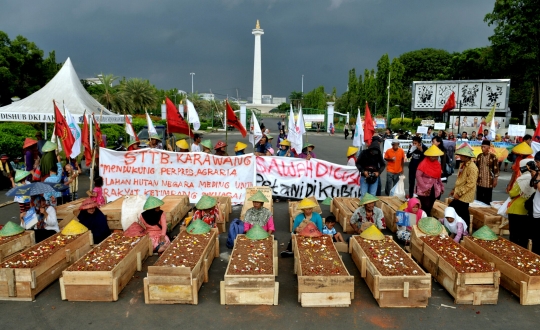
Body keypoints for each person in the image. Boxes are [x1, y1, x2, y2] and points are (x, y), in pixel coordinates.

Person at [507, 159, 536, 249]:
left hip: (516, 210)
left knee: (514, 235)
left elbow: (512, 193)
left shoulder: (522, 179)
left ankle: (514, 254)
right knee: (523, 236)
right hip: (528, 211)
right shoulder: (535, 178)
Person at [449, 147, 478, 228]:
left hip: (465, 195)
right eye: (460, 155)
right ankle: (461, 231)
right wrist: (454, 189)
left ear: (467, 157)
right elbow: (459, 179)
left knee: (462, 213)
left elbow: (471, 183)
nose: (460, 157)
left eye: (462, 156)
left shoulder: (472, 167)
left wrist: (459, 193)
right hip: (459, 192)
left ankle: (464, 232)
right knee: (460, 212)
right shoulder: (462, 165)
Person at [415, 145, 445, 216]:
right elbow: (418, 176)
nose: (434, 158)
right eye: (432, 156)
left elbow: (438, 177)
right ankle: (422, 219)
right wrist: (424, 187)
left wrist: (441, 186)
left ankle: (428, 220)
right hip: (424, 189)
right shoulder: (423, 163)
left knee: (431, 205)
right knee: (425, 206)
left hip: (434, 188)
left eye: (436, 156)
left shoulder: (437, 164)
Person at [476, 140, 499, 205]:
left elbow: (496, 169)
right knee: (479, 199)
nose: (482, 148)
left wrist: (495, 180)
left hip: (489, 181)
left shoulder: (493, 156)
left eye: (484, 147)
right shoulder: (479, 156)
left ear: (488, 148)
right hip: (480, 180)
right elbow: (476, 168)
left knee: (487, 199)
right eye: (482, 147)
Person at [529, 153, 540, 254]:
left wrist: (537, 177)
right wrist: (534, 176)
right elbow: (535, 187)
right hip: (536, 211)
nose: (536, 164)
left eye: (537, 162)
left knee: (538, 242)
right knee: (535, 240)